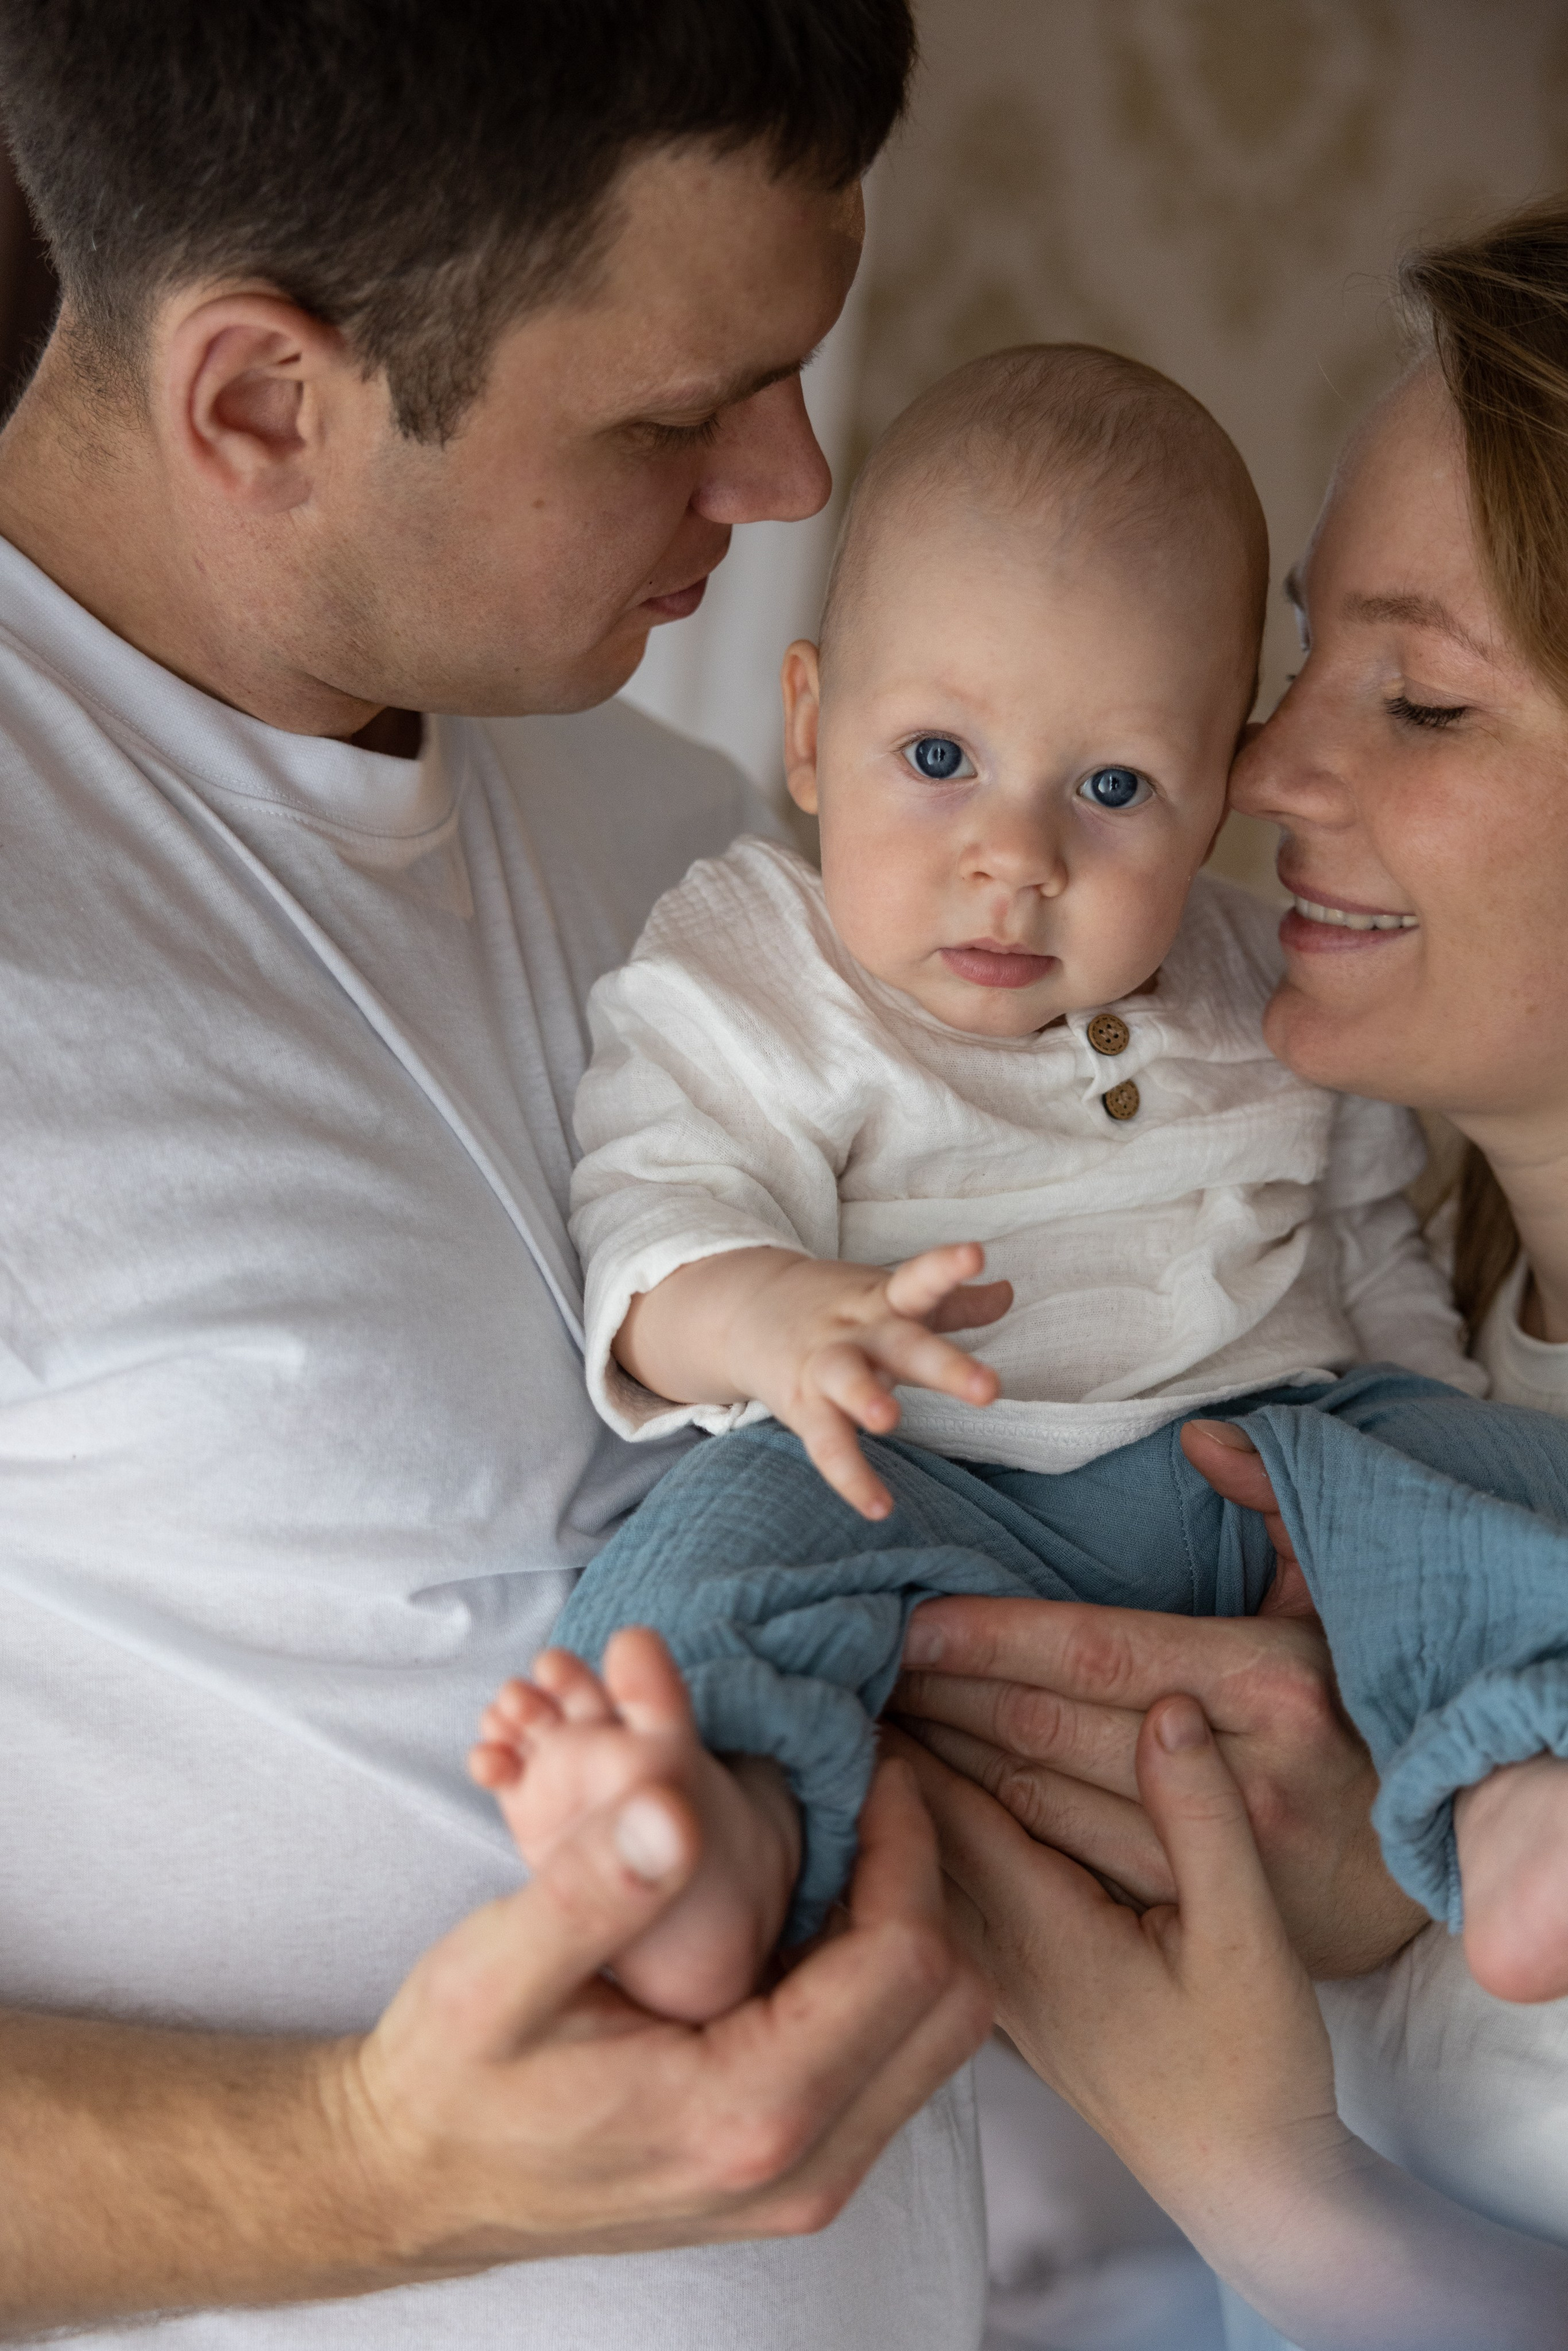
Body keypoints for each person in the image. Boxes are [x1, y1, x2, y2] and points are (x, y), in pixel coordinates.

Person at [0, 5, 997, 2345]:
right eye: (677, 414)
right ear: (263, 400)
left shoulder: (693, 857)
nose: (792, 481)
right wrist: (373, 2169)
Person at [472, 343, 1565, 2029]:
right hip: (927, 1481)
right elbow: (657, 1221)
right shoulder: (761, 967)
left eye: (1114, 788)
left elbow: (1366, 1250)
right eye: (939, 758)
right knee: (719, 1551)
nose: (1017, 856)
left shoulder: (1257, 988)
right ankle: (715, 1837)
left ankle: (1513, 1791)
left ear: (1214, 793)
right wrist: (782, 1322)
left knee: (1512, 1487)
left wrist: (1403, 1456)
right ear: (812, 730)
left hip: (1263, 1461)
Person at [892, 195, 1568, 2348]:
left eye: (1424, 701)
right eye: (1305, 653)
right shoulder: (1366, 1338)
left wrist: (1262, 2174)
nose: (1261, 767)